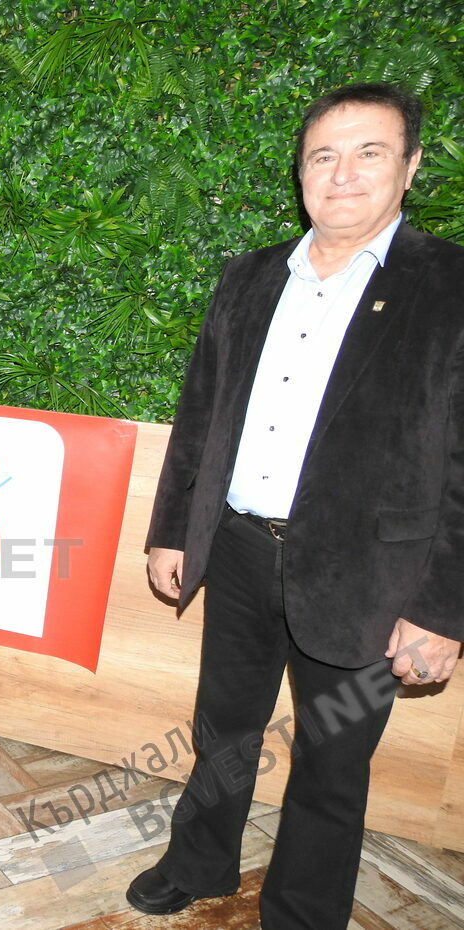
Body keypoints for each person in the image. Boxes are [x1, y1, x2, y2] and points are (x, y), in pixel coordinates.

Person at [127, 83, 464, 929]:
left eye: (369, 153)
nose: (342, 173)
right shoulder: (249, 276)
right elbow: (201, 411)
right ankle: (200, 863)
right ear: (301, 172)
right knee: (223, 728)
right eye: (323, 156)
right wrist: (174, 530)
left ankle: (303, 914)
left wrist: (443, 611)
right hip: (240, 550)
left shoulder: (451, 284)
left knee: (332, 760)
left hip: (371, 576)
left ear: (410, 167)